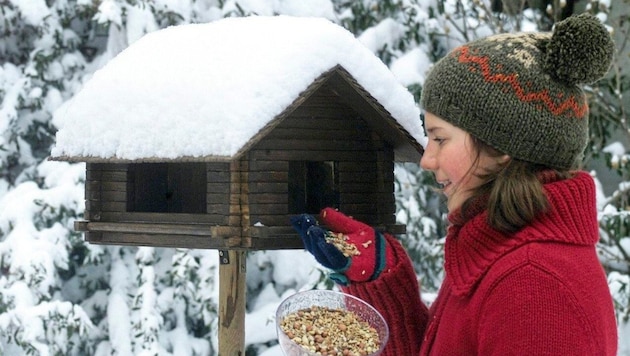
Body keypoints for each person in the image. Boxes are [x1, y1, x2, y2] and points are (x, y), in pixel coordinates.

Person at [290, 13, 618, 355]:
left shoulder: (535, 286)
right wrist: (381, 282)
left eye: (440, 139)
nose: (427, 160)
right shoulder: (500, 251)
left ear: (501, 147)